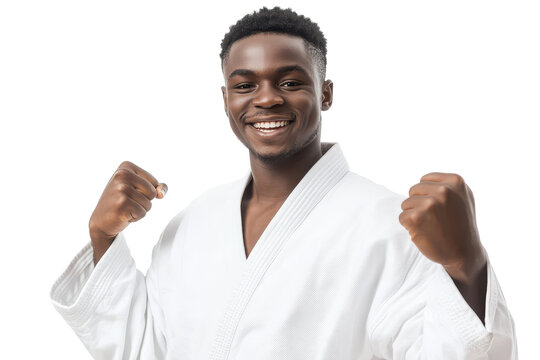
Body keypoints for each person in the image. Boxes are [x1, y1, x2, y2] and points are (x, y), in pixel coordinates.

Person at [50, 6, 517, 359]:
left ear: (326, 93)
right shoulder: (193, 223)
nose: (267, 99)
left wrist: (464, 266)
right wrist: (102, 239)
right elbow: (142, 348)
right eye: (245, 84)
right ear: (226, 99)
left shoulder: (392, 228)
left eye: (290, 82)